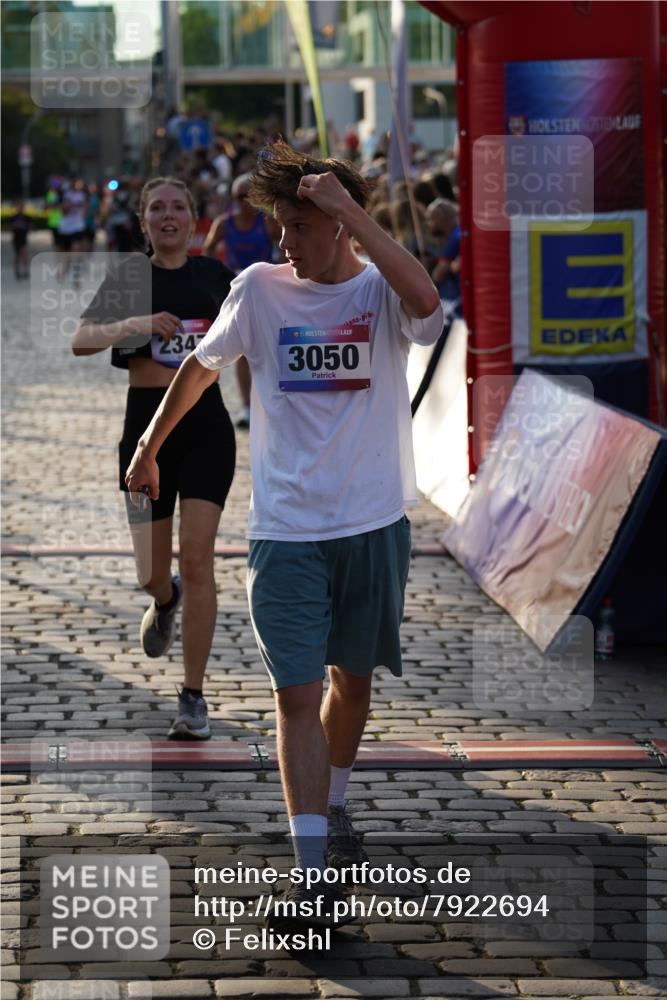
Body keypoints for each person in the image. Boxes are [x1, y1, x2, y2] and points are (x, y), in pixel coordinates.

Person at [125, 140, 442, 926]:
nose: (283, 242)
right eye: (279, 226)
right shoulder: (258, 291)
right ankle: (312, 873)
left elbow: (430, 308)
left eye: (298, 226)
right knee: (297, 691)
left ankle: (333, 800)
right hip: (286, 531)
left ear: (338, 224)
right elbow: (200, 367)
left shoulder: (378, 295)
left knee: (351, 684)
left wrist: (346, 209)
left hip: (371, 525)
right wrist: (149, 444)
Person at [72, 177, 236, 740]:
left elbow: (255, 337)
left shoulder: (216, 277)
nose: (168, 216)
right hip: (143, 428)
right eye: (156, 208)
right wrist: (137, 324)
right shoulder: (131, 277)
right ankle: (163, 601)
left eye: (178, 207)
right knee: (151, 572)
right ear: (143, 221)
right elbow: (81, 339)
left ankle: (193, 696)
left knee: (199, 563)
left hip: (207, 428)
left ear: (194, 218)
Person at [202, 173, 280, 429]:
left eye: (249, 195)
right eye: (239, 196)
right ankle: (247, 407)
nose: (245, 201)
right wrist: (219, 275)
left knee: (271, 348)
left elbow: (288, 246)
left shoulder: (268, 223)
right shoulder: (225, 224)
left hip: (267, 291)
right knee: (243, 353)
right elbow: (208, 249)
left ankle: (271, 402)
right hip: (237, 292)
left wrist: (278, 271)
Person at [9, 200, 30, 279]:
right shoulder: (13, 217)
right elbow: (10, 227)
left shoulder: (27, 217)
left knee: (24, 254)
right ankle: (17, 271)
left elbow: (30, 227)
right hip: (16, 239)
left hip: (23, 238)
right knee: (17, 255)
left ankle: (25, 271)